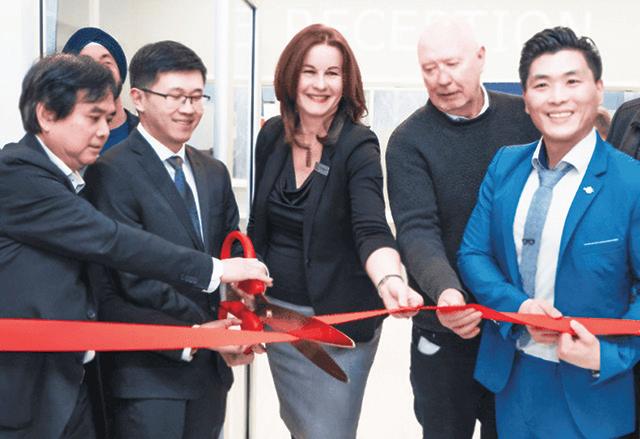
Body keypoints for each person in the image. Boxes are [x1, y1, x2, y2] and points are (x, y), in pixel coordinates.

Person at [0, 54, 271, 439]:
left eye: (108, 118)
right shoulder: (17, 175)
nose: (103, 131)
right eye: (93, 117)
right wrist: (216, 270)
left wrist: (203, 330)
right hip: (28, 394)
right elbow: (112, 240)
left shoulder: (70, 182)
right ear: (46, 115)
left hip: (74, 385)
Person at [457, 26, 640, 438]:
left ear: (598, 90)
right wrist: (519, 307)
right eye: (542, 85)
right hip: (512, 380)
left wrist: (609, 354)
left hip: (591, 390)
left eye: (572, 82)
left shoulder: (631, 182)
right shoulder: (505, 165)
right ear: (526, 99)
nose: (557, 97)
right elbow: (473, 254)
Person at [247, 23, 423, 439]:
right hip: (279, 315)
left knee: (329, 432)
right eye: (309, 72)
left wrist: (391, 279)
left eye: (332, 73)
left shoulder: (358, 145)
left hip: (339, 324)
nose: (320, 84)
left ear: (347, 83)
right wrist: (247, 291)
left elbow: (371, 228)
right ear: (292, 76)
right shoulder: (271, 135)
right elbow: (258, 223)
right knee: (299, 425)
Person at [83, 40, 260, 439]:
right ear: (138, 98)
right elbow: (132, 276)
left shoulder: (213, 171)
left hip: (210, 374)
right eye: (176, 96)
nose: (188, 108)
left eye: (197, 97)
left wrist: (238, 312)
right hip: (148, 375)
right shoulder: (110, 172)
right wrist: (203, 330)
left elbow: (226, 252)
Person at [385, 18, 539, 439]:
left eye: (451, 64)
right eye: (429, 68)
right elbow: (417, 229)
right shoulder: (408, 140)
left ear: (480, 58)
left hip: (517, 327)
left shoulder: (525, 120)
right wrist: (446, 292)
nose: (442, 79)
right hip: (445, 326)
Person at [63, 27, 139, 152]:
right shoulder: (60, 138)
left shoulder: (148, 133)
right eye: (87, 64)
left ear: (120, 73)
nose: (98, 72)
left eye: (106, 63)